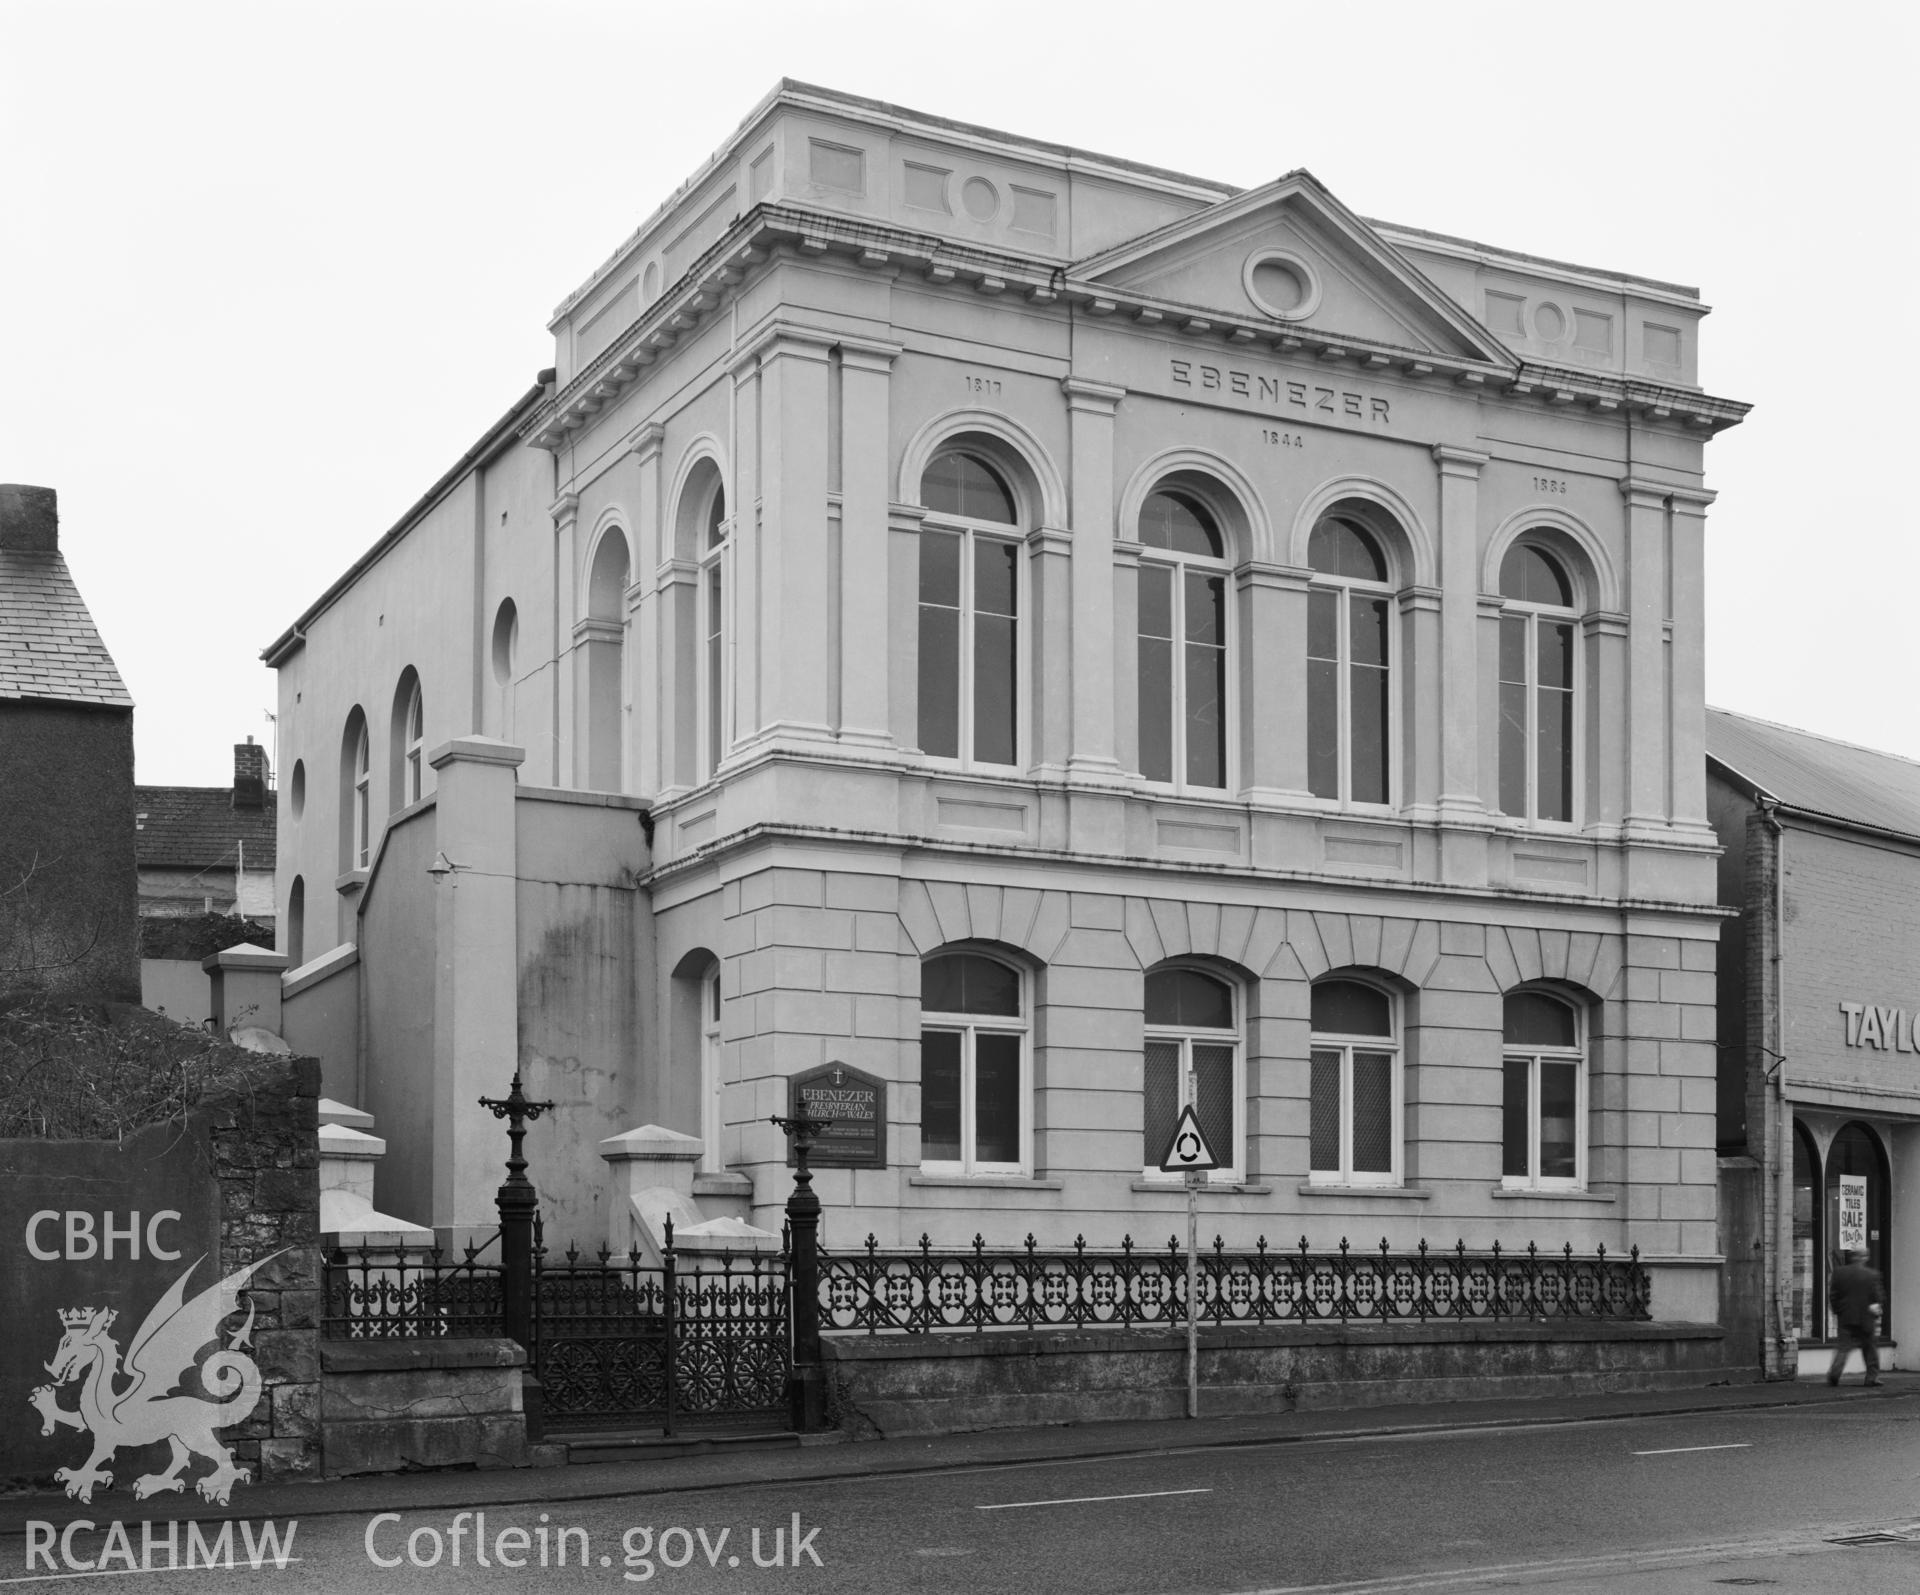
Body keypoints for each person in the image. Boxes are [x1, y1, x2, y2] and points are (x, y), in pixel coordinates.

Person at [1827, 1249, 1885, 1387]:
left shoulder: (1839, 1273)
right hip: (1866, 1318)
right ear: (1864, 1258)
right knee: (1870, 1349)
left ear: (1852, 1257)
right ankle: (1871, 1378)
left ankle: (1834, 1374)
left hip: (1846, 1317)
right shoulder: (1872, 1275)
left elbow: (1833, 1296)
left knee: (1843, 1347)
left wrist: (1838, 1311)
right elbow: (1879, 1297)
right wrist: (1876, 1311)